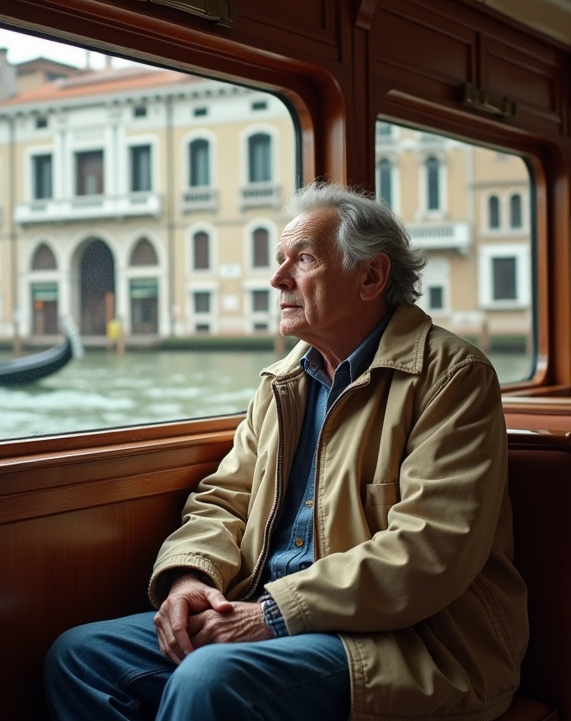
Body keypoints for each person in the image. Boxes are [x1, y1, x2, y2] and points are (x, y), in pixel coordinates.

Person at [44, 182, 526, 721]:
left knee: (209, 678)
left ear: (371, 277)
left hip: (411, 641)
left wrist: (269, 617)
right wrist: (191, 580)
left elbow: (432, 548)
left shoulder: (453, 377)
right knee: (82, 657)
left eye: (302, 259)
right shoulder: (283, 382)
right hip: (265, 607)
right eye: (279, 261)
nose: (277, 279)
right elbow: (223, 501)